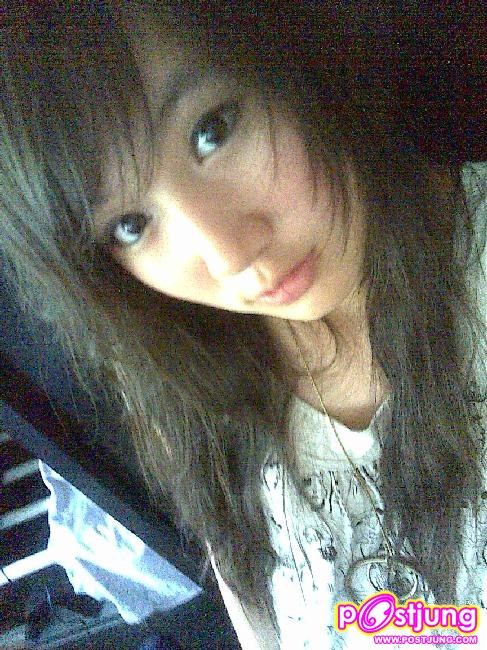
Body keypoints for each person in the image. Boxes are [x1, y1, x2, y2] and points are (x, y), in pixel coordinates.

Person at [1, 2, 486, 648]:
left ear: (289, 56)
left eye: (213, 131)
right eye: (131, 226)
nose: (228, 255)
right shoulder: (194, 399)